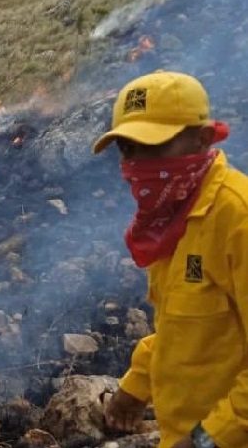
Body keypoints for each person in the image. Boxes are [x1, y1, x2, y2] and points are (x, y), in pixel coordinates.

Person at [92, 71, 248, 448]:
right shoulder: (172, 217)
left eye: (154, 145)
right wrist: (137, 384)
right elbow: (182, 331)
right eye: (128, 149)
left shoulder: (237, 217)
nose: (138, 163)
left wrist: (207, 438)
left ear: (203, 138)